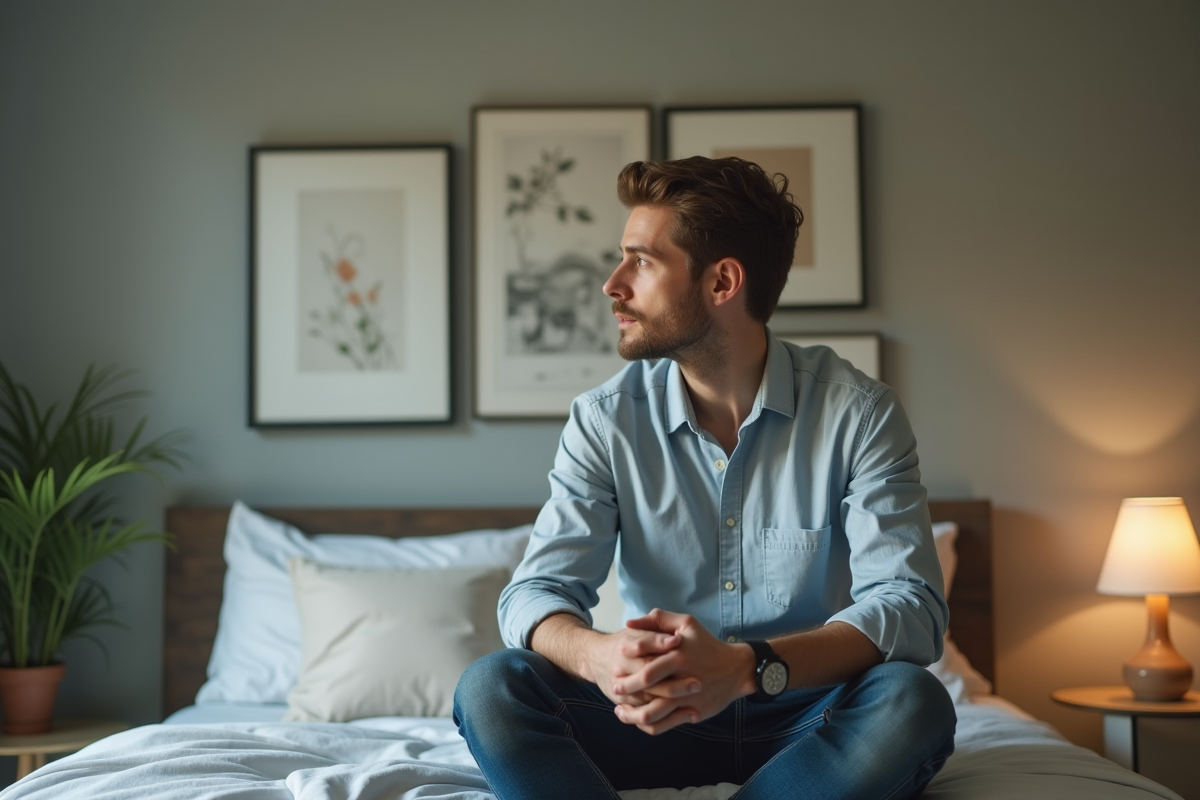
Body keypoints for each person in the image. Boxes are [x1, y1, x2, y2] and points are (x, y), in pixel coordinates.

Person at [454, 156, 956, 799]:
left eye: (641, 260)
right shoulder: (604, 421)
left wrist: (749, 668)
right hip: (647, 722)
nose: (612, 284)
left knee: (913, 700)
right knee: (491, 687)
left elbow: (910, 608)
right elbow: (535, 593)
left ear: (722, 282)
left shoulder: (859, 415)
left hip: (805, 715)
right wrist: (600, 659)